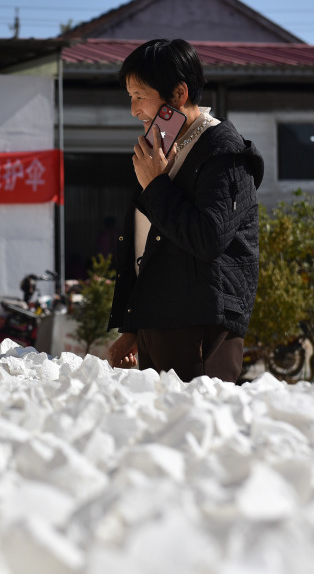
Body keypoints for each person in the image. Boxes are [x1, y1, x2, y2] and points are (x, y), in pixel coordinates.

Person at [106, 38, 264, 382]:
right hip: (160, 321)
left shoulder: (224, 153)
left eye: (139, 97)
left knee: (197, 430)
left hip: (199, 328)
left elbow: (208, 238)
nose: (134, 110)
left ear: (178, 94)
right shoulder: (164, 150)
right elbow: (149, 245)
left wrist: (157, 186)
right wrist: (133, 326)